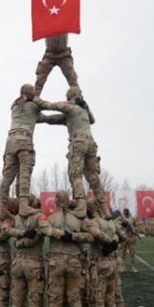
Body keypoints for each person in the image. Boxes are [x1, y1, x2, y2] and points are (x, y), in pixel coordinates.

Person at [36, 87, 108, 218]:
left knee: (76, 175)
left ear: (70, 97)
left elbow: (54, 106)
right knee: (93, 178)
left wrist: (38, 102)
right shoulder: (83, 111)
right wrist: (42, 118)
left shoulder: (71, 107)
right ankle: (105, 208)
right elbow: (56, 119)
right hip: (91, 144)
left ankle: (81, 206)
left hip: (78, 143)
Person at [39, 191, 94, 307]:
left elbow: (44, 231)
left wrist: (62, 234)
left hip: (56, 263)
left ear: (56, 201)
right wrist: (74, 236)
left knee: (55, 301)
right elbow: (90, 236)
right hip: (74, 263)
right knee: (75, 300)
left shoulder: (50, 219)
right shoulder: (77, 219)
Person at [0, 84, 47, 219]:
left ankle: (1, 208)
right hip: (24, 141)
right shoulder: (33, 106)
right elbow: (47, 107)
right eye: (33, 91)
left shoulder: (14, 106)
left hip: (10, 142)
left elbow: (38, 118)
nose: (35, 92)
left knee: (7, 178)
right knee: (24, 175)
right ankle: (23, 206)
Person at [5, 195, 46, 307]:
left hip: (18, 263)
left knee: (17, 302)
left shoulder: (17, 219)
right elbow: (38, 237)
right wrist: (26, 240)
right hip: (34, 263)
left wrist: (19, 242)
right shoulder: (38, 217)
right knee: (34, 303)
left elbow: (14, 239)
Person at [81, 199, 121, 307]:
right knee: (110, 300)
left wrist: (108, 242)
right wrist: (113, 243)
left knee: (98, 301)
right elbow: (117, 238)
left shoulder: (94, 223)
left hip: (100, 266)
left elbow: (96, 233)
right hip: (112, 265)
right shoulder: (109, 223)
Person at [118, 208, 139, 273]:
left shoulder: (132, 218)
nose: (125, 212)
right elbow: (118, 227)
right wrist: (122, 225)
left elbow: (136, 226)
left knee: (132, 253)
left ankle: (134, 267)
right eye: (124, 211)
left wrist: (134, 229)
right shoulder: (121, 218)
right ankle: (123, 267)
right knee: (123, 253)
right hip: (124, 238)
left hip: (131, 237)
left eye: (127, 211)